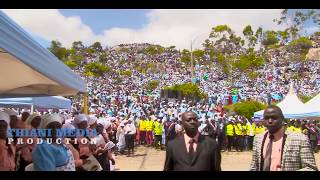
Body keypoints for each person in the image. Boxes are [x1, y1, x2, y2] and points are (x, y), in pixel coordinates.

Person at [250, 105, 318, 171]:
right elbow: (254, 167)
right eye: (266, 118)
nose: (270, 121)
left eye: (274, 117)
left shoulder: (300, 139)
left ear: (282, 119)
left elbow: (311, 168)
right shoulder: (258, 139)